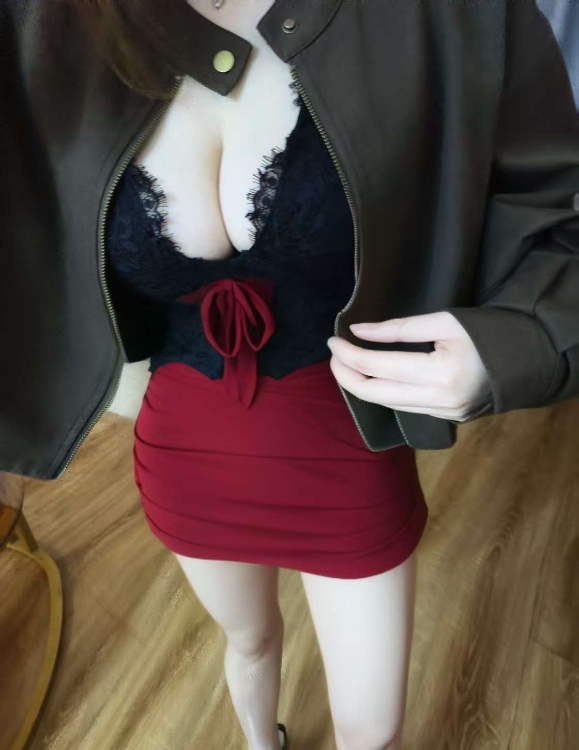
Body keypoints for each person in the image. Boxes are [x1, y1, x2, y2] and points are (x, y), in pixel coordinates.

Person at [2, 1, 578, 750]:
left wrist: (520, 338)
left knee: (373, 730)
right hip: (184, 460)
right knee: (247, 643)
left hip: (348, 454)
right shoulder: (40, 24)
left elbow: (558, 214)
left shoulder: (450, 13)